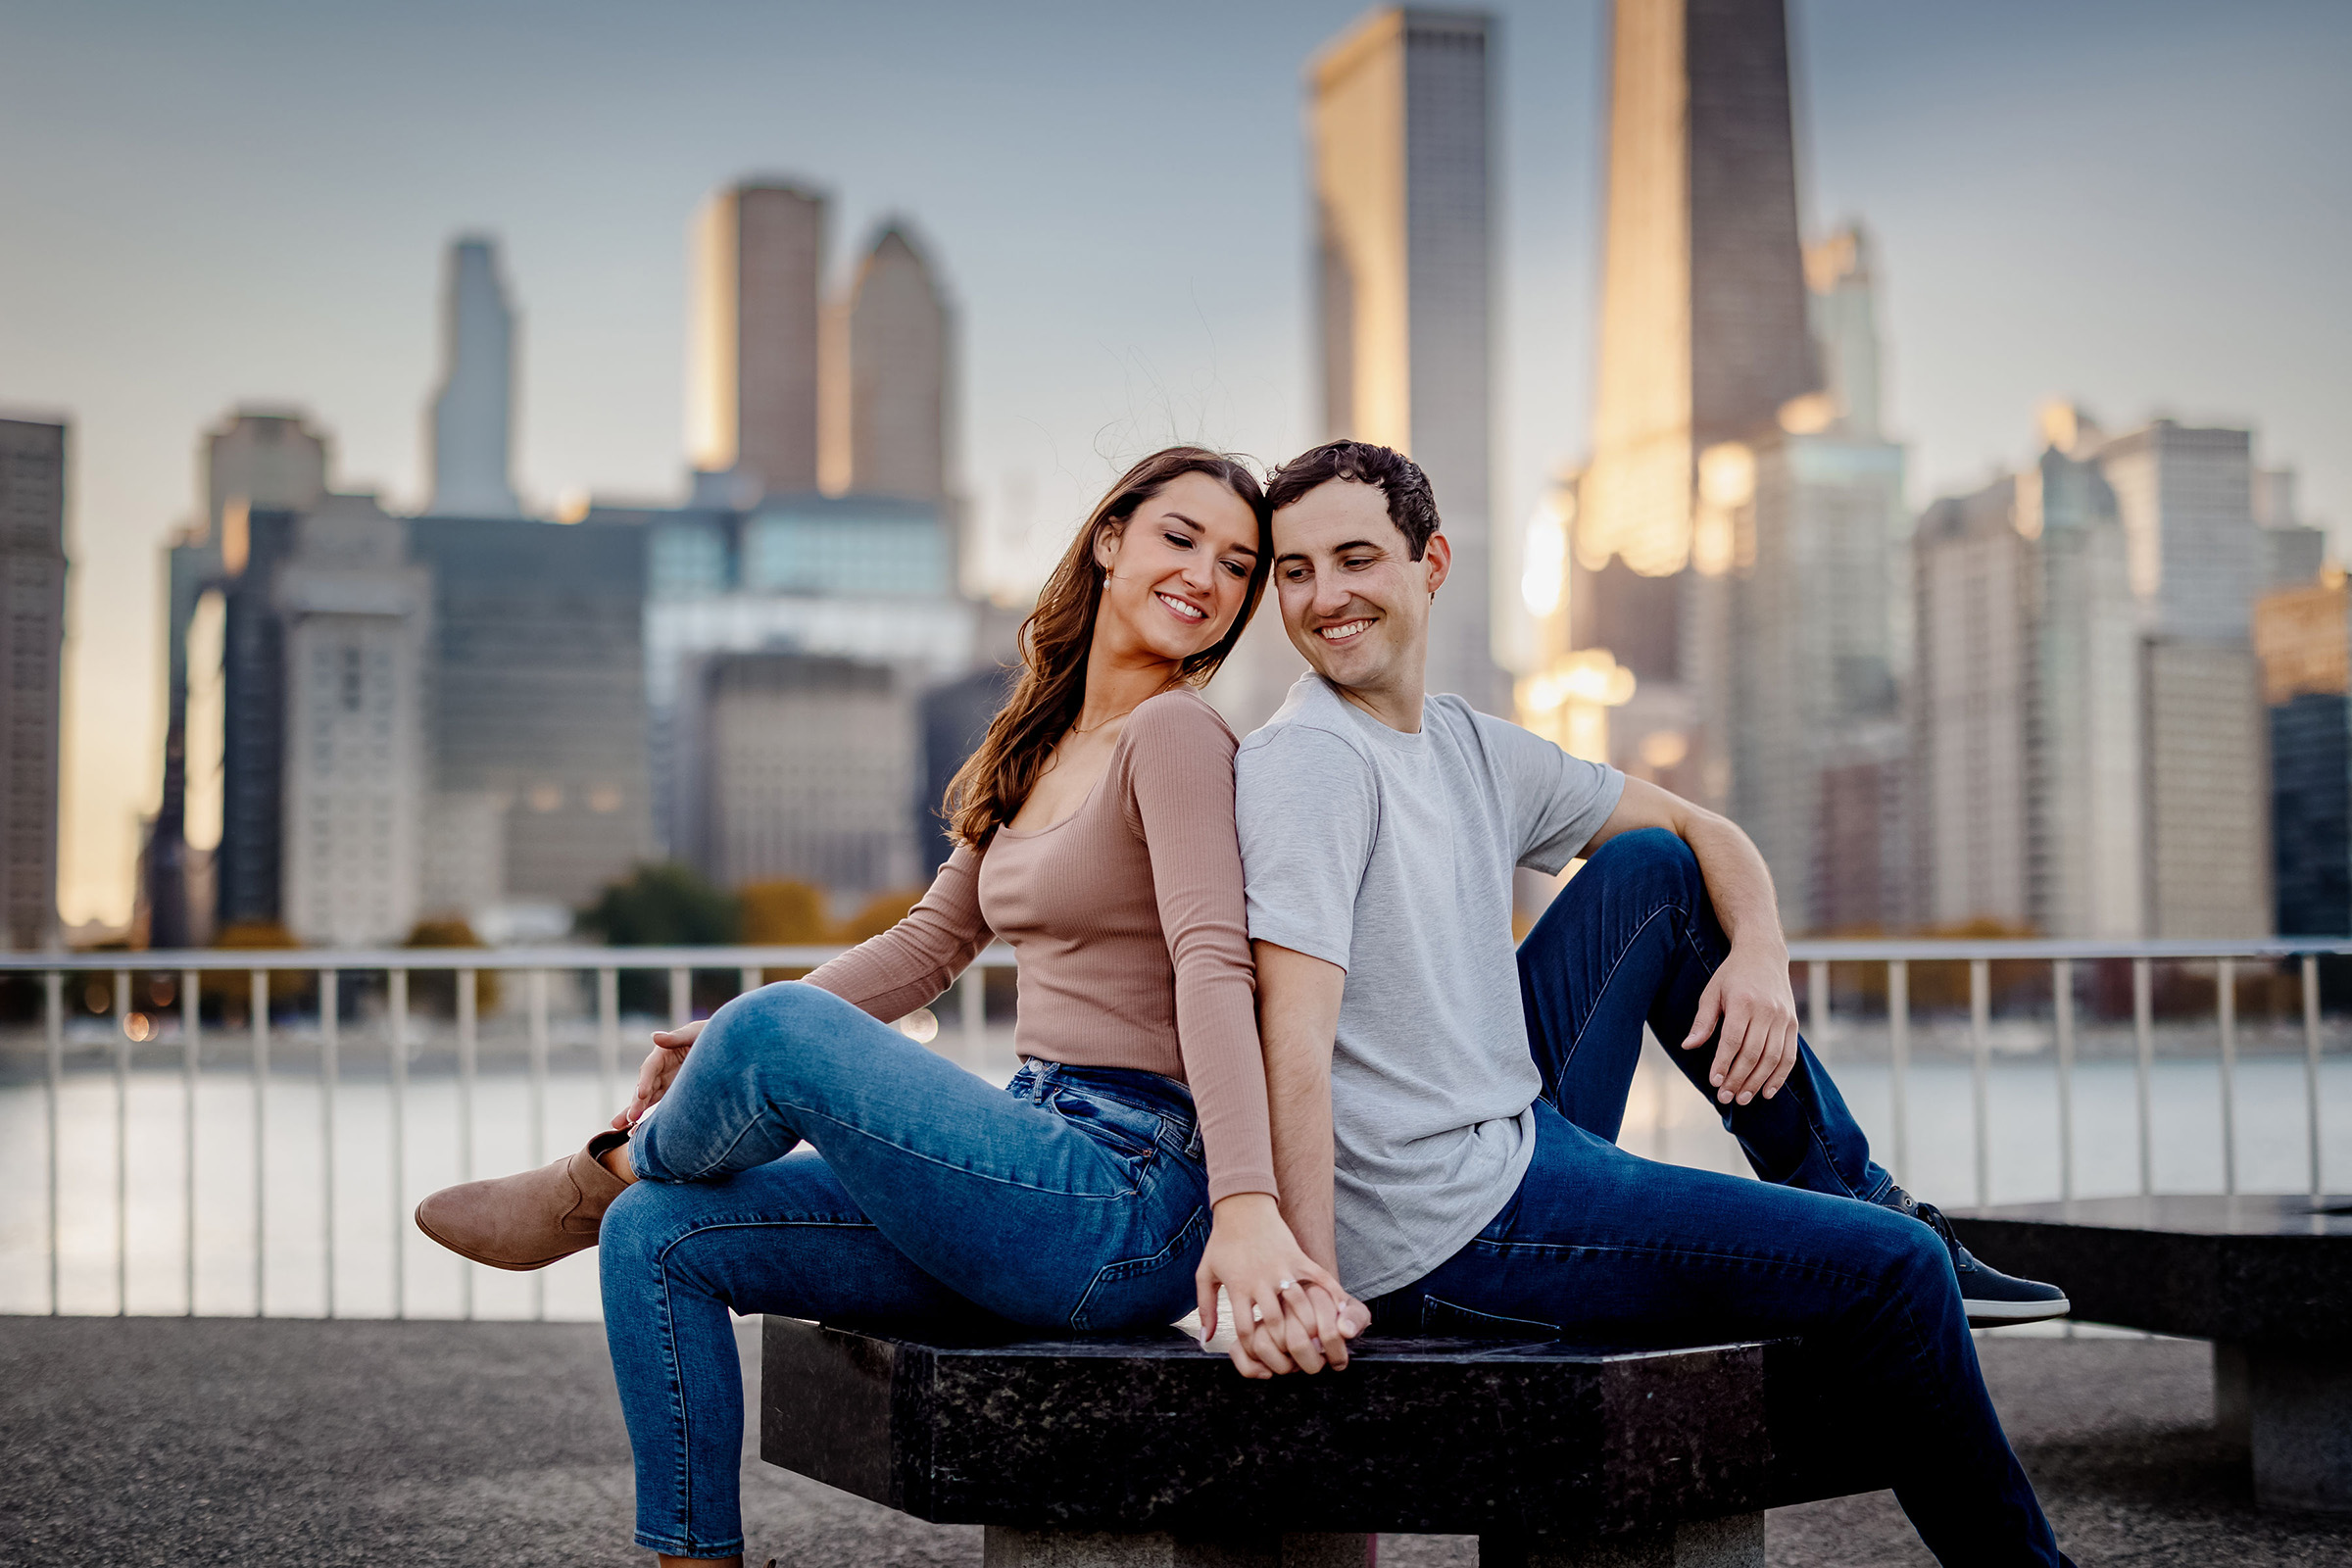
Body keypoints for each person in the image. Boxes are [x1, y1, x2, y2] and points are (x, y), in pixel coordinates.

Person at [415, 447, 1356, 1568]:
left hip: (1132, 1195)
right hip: (1030, 1158)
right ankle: (689, 1554)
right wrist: (717, 1044)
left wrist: (1247, 1203)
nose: (1208, 575)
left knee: (760, 1038)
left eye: (1240, 564)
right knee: (661, 1236)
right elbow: (928, 945)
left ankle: (597, 1170)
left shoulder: (1179, 733)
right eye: (1180, 537)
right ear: (1111, 539)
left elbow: (1214, 962)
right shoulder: (1035, 741)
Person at [1230, 440, 2076, 1566]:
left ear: (1431, 563)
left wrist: (1760, 956)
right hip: (1444, 1229)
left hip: (1510, 1130)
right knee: (1891, 1276)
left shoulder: (1466, 742)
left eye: (1353, 559)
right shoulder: (1310, 763)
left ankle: (1862, 1189)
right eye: (1294, 572)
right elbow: (1290, 1045)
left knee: (1656, 875)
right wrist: (1321, 1286)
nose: (1325, 598)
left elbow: (1705, 831)